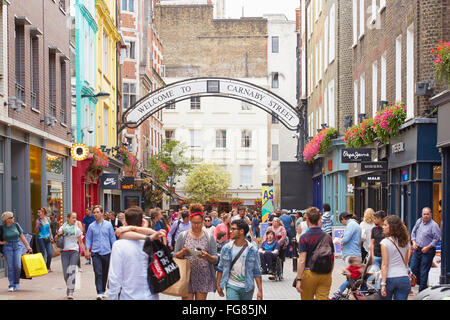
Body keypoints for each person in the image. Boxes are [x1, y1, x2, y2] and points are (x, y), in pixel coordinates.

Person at [108, 206, 166, 300]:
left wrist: (112, 297)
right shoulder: (153, 242)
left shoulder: (119, 245)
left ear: (125, 223)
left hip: (128, 296)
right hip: (151, 296)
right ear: (143, 223)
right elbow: (150, 232)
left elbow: (115, 277)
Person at [175, 203, 218, 300]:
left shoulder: (209, 237)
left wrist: (207, 256)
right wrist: (183, 252)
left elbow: (215, 259)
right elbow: (175, 255)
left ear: (203, 221)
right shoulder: (183, 235)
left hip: (204, 276)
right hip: (187, 276)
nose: (196, 225)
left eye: (199, 222)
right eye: (194, 223)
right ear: (190, 221)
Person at [216, 219, 263, 300]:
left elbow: (257, 271)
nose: (230, 231)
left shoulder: (252, 249)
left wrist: (260, 290)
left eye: (233, 229)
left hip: (247, 287)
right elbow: (220, 268)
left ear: (241, 231)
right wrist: (218, 285)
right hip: (231, 285)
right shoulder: (227, 248)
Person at [295, 207, 334, 300]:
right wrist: (329, 273)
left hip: (309, 273)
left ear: (307, 219)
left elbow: (302, 260)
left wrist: (298, 279)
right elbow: (332, 257)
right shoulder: (328, 237)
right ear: (319, 219)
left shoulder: (304, 237)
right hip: (325, 273)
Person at [84, 205, 116, 300]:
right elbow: (88, 238)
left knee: (105, 273)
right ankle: (99, 292)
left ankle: (102, 290)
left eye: (98, 212)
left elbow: (112, 237)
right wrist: (87, 250)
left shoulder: (108, 225)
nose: (96, 214)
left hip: (107, 252)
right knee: (98, 272)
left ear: (102, 213)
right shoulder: (91, 226)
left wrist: (115, 249)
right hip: (96, 252)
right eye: (94, 212)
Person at [409, 207, 441, 292]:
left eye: (427, 214)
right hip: (417, 249)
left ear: (431, 214)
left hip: (428, 251)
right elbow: (413, 233)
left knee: (424, 270)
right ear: (422, 214)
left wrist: (428, 247)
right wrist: (414, 243)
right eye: (424, 214)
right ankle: (421, 283)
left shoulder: (434, 225)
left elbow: (437, 238)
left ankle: (422, 290)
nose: (426, 216)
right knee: (413, 268)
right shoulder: (419, 222)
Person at [55, 212, 86, 299]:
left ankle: (70, 291)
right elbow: (55, 239)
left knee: (71, 271)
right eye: (73, 218)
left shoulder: (77, 229)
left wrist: (86, 252)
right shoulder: (62, 228)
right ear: (68, 218)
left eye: (75, 218)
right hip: (64, 252)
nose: (74, 219)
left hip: (74, 252)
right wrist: (59, 233)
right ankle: (69, 286)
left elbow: (80, 242)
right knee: (65, 274)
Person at [380, 215, 411, 300]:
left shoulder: (385, 242)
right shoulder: (405, 242)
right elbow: (405, 262)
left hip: (389, 278)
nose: (383, 227)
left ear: (392, 227)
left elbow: (385, 265)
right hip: (404, 278)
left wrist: (383, 284)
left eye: (385, 225)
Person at [0, 212, 33, 292]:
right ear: (7, 220)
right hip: (7, 248)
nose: (13, 218)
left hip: (17, 246)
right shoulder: (2, 228)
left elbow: (22, 236)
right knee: (11, 267)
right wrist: (2, 243)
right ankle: (11, 285)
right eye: (11, 217)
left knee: (18, 266)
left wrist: (28, 246)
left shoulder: (16, 225)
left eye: (13, 217)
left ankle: (16, 283)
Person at [34, 207, 54, 272]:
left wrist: (51, 236)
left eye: (39, 212)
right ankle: (42, 267)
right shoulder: (38, 221)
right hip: (41, 238)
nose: (38, 214)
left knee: (50, 253)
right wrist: (37, 226)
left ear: (43, 212)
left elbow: (49, 228)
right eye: (38, 212)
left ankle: (48, 267)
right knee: (43, 253)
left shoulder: (48, 219)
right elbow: (36, 231)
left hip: (48, 238)